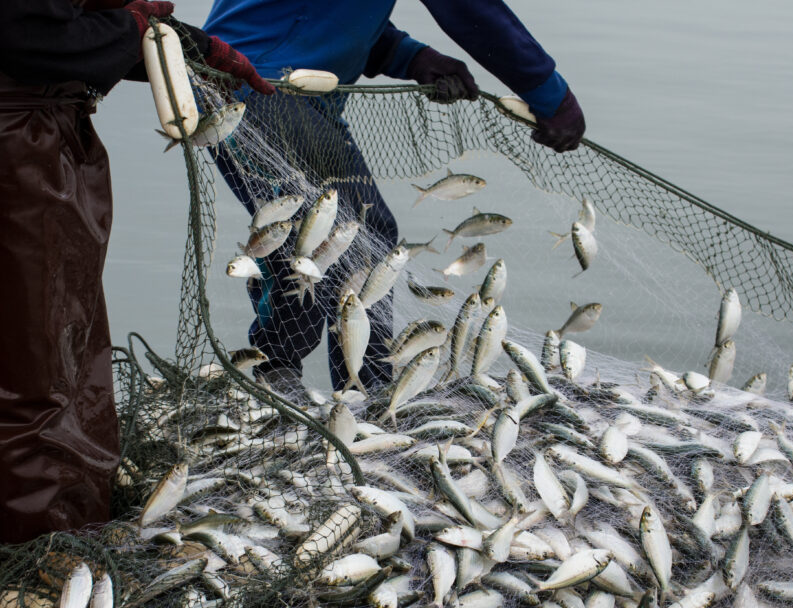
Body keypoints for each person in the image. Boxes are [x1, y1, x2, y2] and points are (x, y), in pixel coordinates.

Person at [204, 0, 586, 395]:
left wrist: (410, 56)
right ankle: (303, 381)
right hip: (259, 87)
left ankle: (348, 386)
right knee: (333, 233)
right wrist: (549, 93)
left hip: (272, 85)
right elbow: (472, 9)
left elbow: (327, 12)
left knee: (353, 231)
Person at [0, 0, 272, 545]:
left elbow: (60, 27)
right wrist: (131, 30)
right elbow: (20, 33)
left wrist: (184, 43)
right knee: (36, 366)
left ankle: (63, 524)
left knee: (57, 346)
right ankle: (41, 548)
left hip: (40, 131)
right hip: (17, 147)